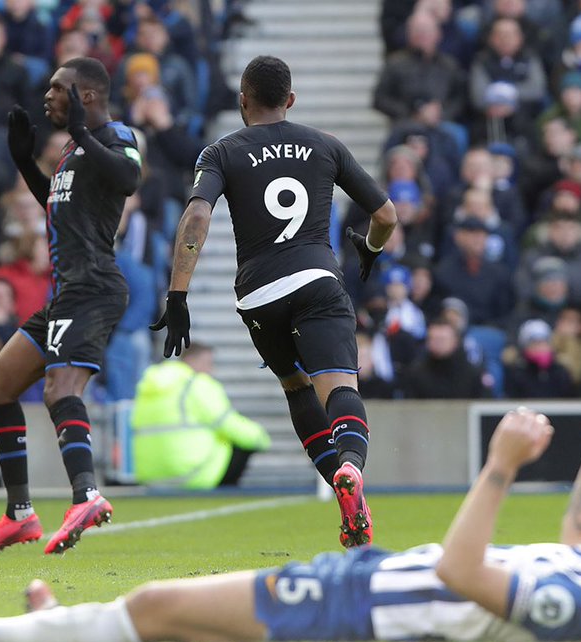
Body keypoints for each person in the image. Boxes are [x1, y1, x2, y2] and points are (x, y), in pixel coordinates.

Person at [0, 398, 581, 642]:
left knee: (157, 605)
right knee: (168, 621)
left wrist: (501, 467)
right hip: (361, 585)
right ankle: (50, 631)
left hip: (355, 611)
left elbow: (465, 575)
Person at [149, 56, 398, 548]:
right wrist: (368, 249)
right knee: (339, 385)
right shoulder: (325, 144)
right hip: (316, 279)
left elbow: (197, 215)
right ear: (290, 100)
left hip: (259, 293)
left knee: (295, 386)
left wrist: (178, 293)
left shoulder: (220, 151)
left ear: (242, 100)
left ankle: (349, 502)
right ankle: (351, 467)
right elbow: (386, 214)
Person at [0, 57, 141, 555]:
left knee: (59, 388)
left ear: (85, 96)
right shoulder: (71, 150)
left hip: (95, 288)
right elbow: (59, 205)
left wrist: (85, 136)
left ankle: (85, 495)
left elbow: (128, 179)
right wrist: (25, 163)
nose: (47, 97)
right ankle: (20, 514)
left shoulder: (115, 136)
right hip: (67, 292)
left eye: (57, 89)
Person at [131, 343, 270, 490]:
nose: (211, 370)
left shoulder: (148, 385)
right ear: (194, 361)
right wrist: (261, 438)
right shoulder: (196, 384)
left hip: (151, 478)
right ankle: (225, 497)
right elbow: (231, 425)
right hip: (192, 475)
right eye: (208, 363)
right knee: (242, 441)